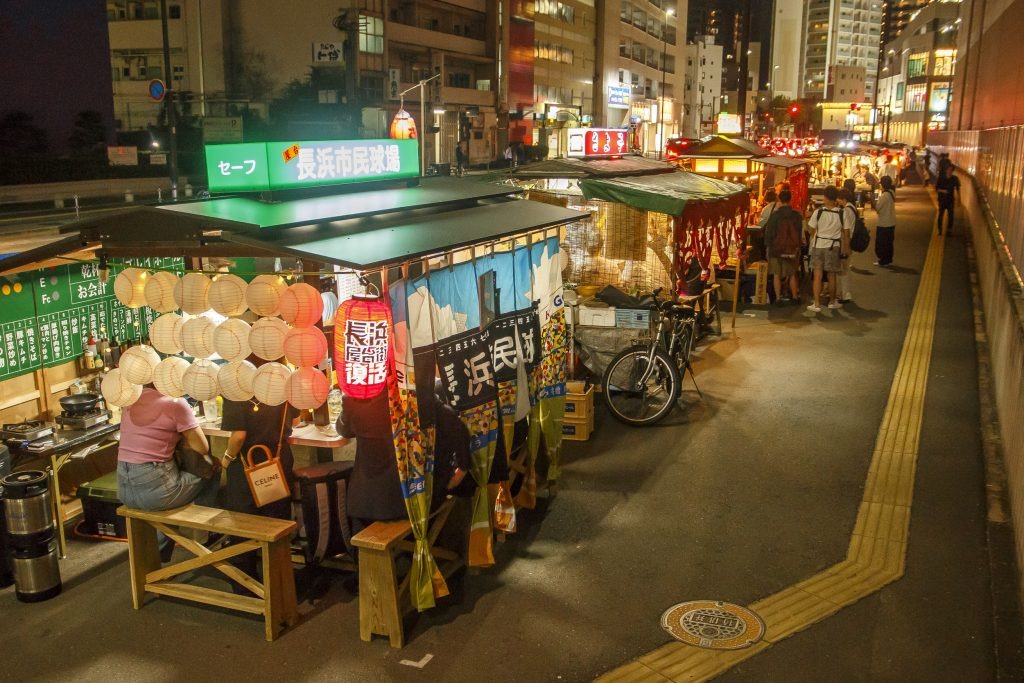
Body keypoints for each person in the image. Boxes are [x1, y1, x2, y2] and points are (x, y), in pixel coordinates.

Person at [117, 385, 219, 561]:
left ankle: (160, 555)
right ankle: (204, 535)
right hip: (157, 492)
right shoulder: (176, 403)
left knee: (167, 487)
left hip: (124, 491)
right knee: (212, 467)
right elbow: (202, 447)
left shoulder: (130, 398)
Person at [219, 388, 299, 578]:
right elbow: (295, 421)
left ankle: (246, 585)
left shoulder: (236, 390)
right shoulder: (283, 384)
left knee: (244, 524)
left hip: (247, 463)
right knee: (276, 522)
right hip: (277, 460)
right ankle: (279, 581)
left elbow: (239, 435)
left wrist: (227, 457)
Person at [805, 185, 849, 313]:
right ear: (836, 198)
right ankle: (832, 301)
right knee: (832, 275)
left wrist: (816, 235)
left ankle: (817, 303)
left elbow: (811, 229)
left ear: (824, 197)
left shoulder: (818, 212)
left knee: (817, 275)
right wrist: (846, 247)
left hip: (819, 245)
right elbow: (846, 232)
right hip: (833, 246)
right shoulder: (841, 213)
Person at [763, 189, 803, 304]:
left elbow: (769, 233)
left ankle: (778, 297)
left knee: (776, 274)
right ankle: (795, 296)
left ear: (779, 199)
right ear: (790, 199)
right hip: (791, 249)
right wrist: (798, 247)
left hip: (776, 249)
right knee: (792, 274)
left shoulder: (774, 215)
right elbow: (799, 232)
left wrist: (768, 247)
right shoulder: (796, 216)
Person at [836, 189, 859, 303]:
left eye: (839, 199)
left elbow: (846, 230)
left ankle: (844, 294)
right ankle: (844, 293)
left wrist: (846, 247)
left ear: (843, 199)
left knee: (843, 270)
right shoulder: (853, 208)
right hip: (849, 241)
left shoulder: (846, 211)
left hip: (845, 242)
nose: (837, 201)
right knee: (844, 269)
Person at [874, 175, 897, 267]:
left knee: (881, 243)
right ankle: (888, 259)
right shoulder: (892, 192)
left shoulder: (884, 195)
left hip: (884, 222)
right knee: (889, 243)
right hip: (891, 221)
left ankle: (883, 261)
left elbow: (877, 208)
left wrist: (873, 199)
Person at [934, 162, 960, 235]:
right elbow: (936, 188)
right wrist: (943, 191)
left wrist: (959, 199)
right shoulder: (941, 178)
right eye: (949, 169)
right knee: (941, 214)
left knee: (951, 215)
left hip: (950, 200)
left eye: (951, 170)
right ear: (946, 170)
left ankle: (949, 229)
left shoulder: (955, 178)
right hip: (942, 199)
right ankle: (940, 229)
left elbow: (958, 188)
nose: (950, 171)